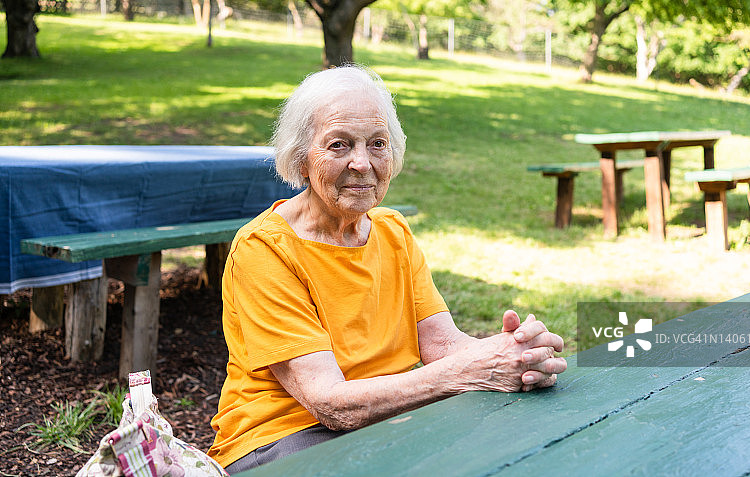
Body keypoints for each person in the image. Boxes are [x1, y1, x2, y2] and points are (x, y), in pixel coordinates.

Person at [208, 65, 568, 472]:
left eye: (377, 144)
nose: (362, 163)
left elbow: (442, 345)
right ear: (301, 158)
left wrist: (515, 354)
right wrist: (467, 373)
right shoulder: (264, 249)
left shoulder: (392, 230)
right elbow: (329, 402)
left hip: (386, 419)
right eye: (339, 145)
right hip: (281, 439)